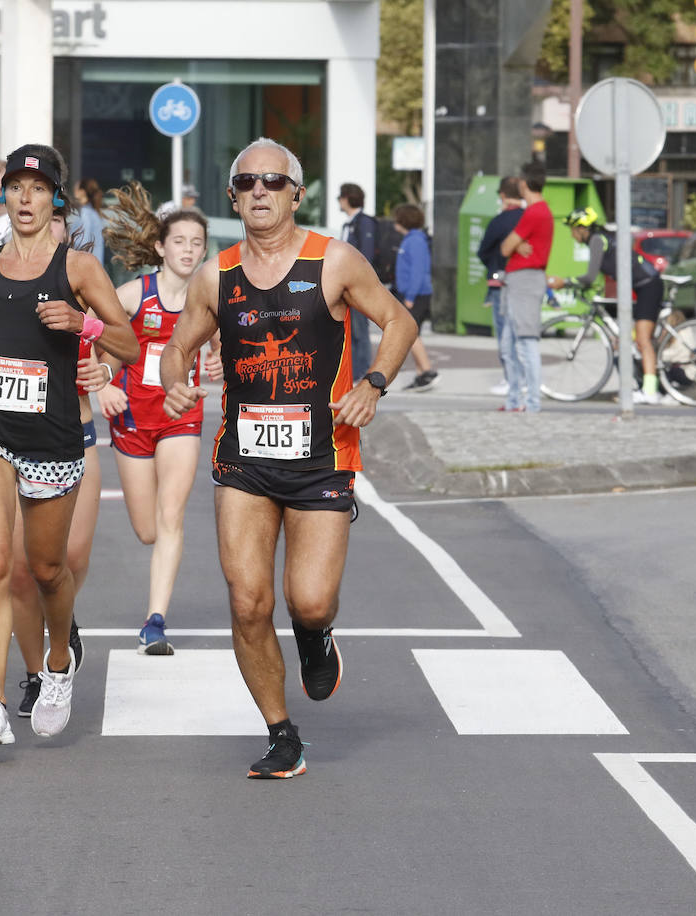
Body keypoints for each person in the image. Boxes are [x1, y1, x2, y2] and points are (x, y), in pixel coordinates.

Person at [158, 137, 416, 779]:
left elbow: (399, 322)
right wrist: (174, 379)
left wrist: (373, 383)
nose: (261, 192)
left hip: (322, 457)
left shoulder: (334, 261)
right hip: (242, 456)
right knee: (248, 601)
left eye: (274, 182)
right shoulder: (215, 275)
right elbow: (176, 342)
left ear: (297, 193)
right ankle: (282, 733)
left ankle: (315, 634)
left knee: (309, 600)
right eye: (247, 183)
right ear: (233, 196)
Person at [0, 143, 138, 745]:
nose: (24, 198)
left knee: (48, 568)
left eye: (36, 188)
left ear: (56, 196)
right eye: (14, 187)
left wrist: (86, 325)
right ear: (2, 195)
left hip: (51, 434)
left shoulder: (77, 269)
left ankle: (58, 665)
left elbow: (128, 343)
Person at [97, 181, 218, 656]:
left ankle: (155, 621)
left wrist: (217, 361)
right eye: (180, 242)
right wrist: (102, 383)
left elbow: (221, 347)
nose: (189, 251)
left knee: (171, 516)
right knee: (147, 528)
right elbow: (88, 331)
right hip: (131, 417)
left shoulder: (207, 299)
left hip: (180, 416)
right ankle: (154, 613)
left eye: (197, 244)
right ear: (160, 247)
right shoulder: (133, 294)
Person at [9, 199, 102, 717]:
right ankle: (33, 674)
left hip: (75, 435)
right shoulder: (3, 278)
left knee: (65, 563)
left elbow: (116, 347)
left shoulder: (85, 283)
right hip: (13, 438)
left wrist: (102, 370)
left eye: (58, 223)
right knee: (22, 571)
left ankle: (63, 621)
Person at [549, 206, 665, 404]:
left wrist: (565, 282)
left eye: (572, 229)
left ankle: (650, 391)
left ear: (582, 229)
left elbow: (590, 276)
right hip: (642, 286)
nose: (571, 234)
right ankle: (648, 386)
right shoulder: (601, 238)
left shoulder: (596, 240)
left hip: (648, 286)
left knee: (643, 340)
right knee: (626, 339)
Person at [498, 160, 553, 413]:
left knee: (524, 342)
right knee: (510, 344)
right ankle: (515, 400)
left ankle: (531, 402)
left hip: (525, 280)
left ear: (524, 183)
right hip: (520, 280)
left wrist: (516, 245)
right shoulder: (539, 212)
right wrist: (517, 245)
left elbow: (505, 247)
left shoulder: (534, 212)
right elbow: (509, 246)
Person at [476, 177, 524, 397]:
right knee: (522, 333)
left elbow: (483, 251)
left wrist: (494, 266)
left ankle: (511, 378)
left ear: (503, 195)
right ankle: (523, 377)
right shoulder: (527, 217)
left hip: (500, 282)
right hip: (525, 281)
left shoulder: (499, 221)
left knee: (504, 332)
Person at [393, 203, 437, 391]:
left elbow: (417, 271)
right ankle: (421, 374)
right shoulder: (411, 239)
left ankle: (427, 371)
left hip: (416, 295)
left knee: (410, 334)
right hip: (412, 293)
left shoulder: (415, 241)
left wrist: (410, 296)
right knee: (411, 333)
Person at [337, 183, 378, 380]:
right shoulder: (349, 223)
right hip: (347, 284)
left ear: (347, 199)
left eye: (340, 197)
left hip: (358, 285)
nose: (338, 201)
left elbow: (366, 256)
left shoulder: (364, 223)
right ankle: (353, 372)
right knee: (351, 329)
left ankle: (362, 373)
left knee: (360, 330)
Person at [72, 178, 107, 264]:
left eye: (76, 188)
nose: (74, 191)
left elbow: (83, 242)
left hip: (86, 267)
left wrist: (67, 239)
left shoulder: (86, 213)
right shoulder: (94, 212)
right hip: (95, 266)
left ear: (82, 192)